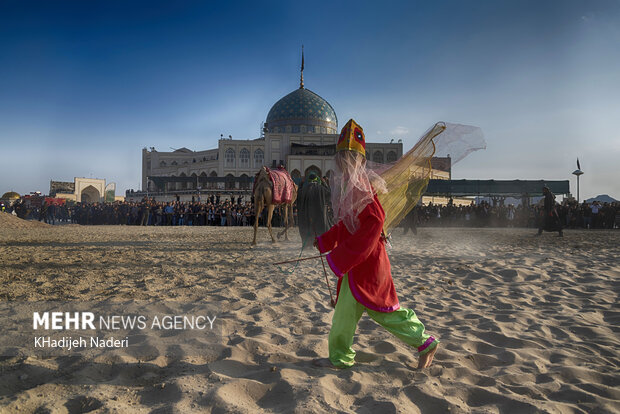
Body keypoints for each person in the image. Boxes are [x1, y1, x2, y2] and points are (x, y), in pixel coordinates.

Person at [313, 119, 439, 370]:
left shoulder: (362, 189)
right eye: (341, 158)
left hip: (368, 264)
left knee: (384, 312)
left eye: (348, 158)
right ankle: (340, 357)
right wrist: (326, 241)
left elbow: (374, 223)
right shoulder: (351, 188)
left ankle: (425, 342)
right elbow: (348, 225)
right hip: (354, 266)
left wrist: (342, 255)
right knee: (343, 317)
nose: (343, 163)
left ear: (357, 161)